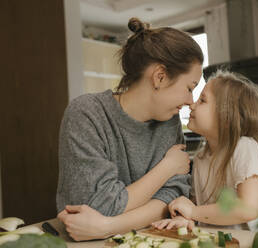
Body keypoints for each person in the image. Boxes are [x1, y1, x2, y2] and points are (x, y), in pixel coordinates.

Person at [56, 17, 203, 241]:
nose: (191, 101)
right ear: (160, 77)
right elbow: (98, 206)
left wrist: (106, 226)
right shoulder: (86, 114)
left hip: (148, 240)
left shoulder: (169, 121)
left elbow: (174, 196)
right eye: (189, 87)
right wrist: (167, 167)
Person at [152, 71, 258, 232]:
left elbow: (248, 208)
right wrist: (186, 218)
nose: (192, 104)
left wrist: (193, 212)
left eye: (202, 100)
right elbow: (200, 209)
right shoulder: (202, 157)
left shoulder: (245, 147)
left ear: (226, 117)